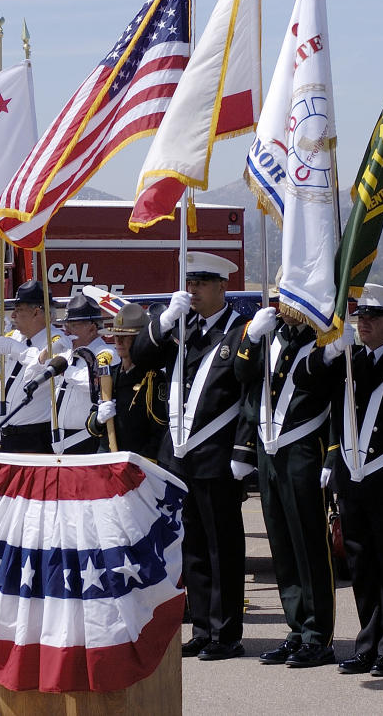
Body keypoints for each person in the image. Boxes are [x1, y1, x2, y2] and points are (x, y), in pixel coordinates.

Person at [133, 252, 250, 662]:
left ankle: (225, 633)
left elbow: (249, 396)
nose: (194, 289)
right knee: (192, 548)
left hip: (217, 457)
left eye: (202, 282)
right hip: (180, 458)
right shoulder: (182, 328)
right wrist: (163, 321)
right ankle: (201, 628)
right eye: (191, 282)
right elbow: (140, 357)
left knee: (223, 548)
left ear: (222, 287)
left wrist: (242, 452)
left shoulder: (241, 331)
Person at [306, 284, 383, 677]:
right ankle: (367, 644)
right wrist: (332, 351)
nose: (364, 322)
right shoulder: (349, 358)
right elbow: (309, 382)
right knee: (362, 566)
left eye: (373, 317)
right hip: (352, 479)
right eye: (360, 316)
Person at [234, 303, 337, 668]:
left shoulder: (322, 341)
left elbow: (332, 396)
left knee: (309, 545)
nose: (284, 308)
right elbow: (243, 377)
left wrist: (332, 458)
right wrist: (253, 336)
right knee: (282, 545)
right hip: (268, 448)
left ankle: (317, 635)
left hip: (303, 447)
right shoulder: (270, 336)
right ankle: (296, 629)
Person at [0, 279, 71, 454]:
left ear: (36, 312)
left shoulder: (56, 340)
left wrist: (17, 350)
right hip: (8, 435)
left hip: (36, 435)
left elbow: (46, 365)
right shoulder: (15, 336)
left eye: (18, 311)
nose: (13, 316)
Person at [87, 303, 167, 458]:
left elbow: (160, 433)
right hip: (108, 461)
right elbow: (92, 428)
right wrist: (98, 419)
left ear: (141, 339)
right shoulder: (109, 376)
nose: (119, 342)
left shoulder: (153, 379)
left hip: (138, 465)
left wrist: (138, 466)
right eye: (116, 336)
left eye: (126, 337)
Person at [52, 293, 116, 454]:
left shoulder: (105, 353)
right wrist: (50, 351)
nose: (67, 331)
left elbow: (92, 382)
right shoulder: (69, 353)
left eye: (73, 325)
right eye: (66, 325)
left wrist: (64, 370)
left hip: (87, 438)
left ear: (92, 328)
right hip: (59, 441)